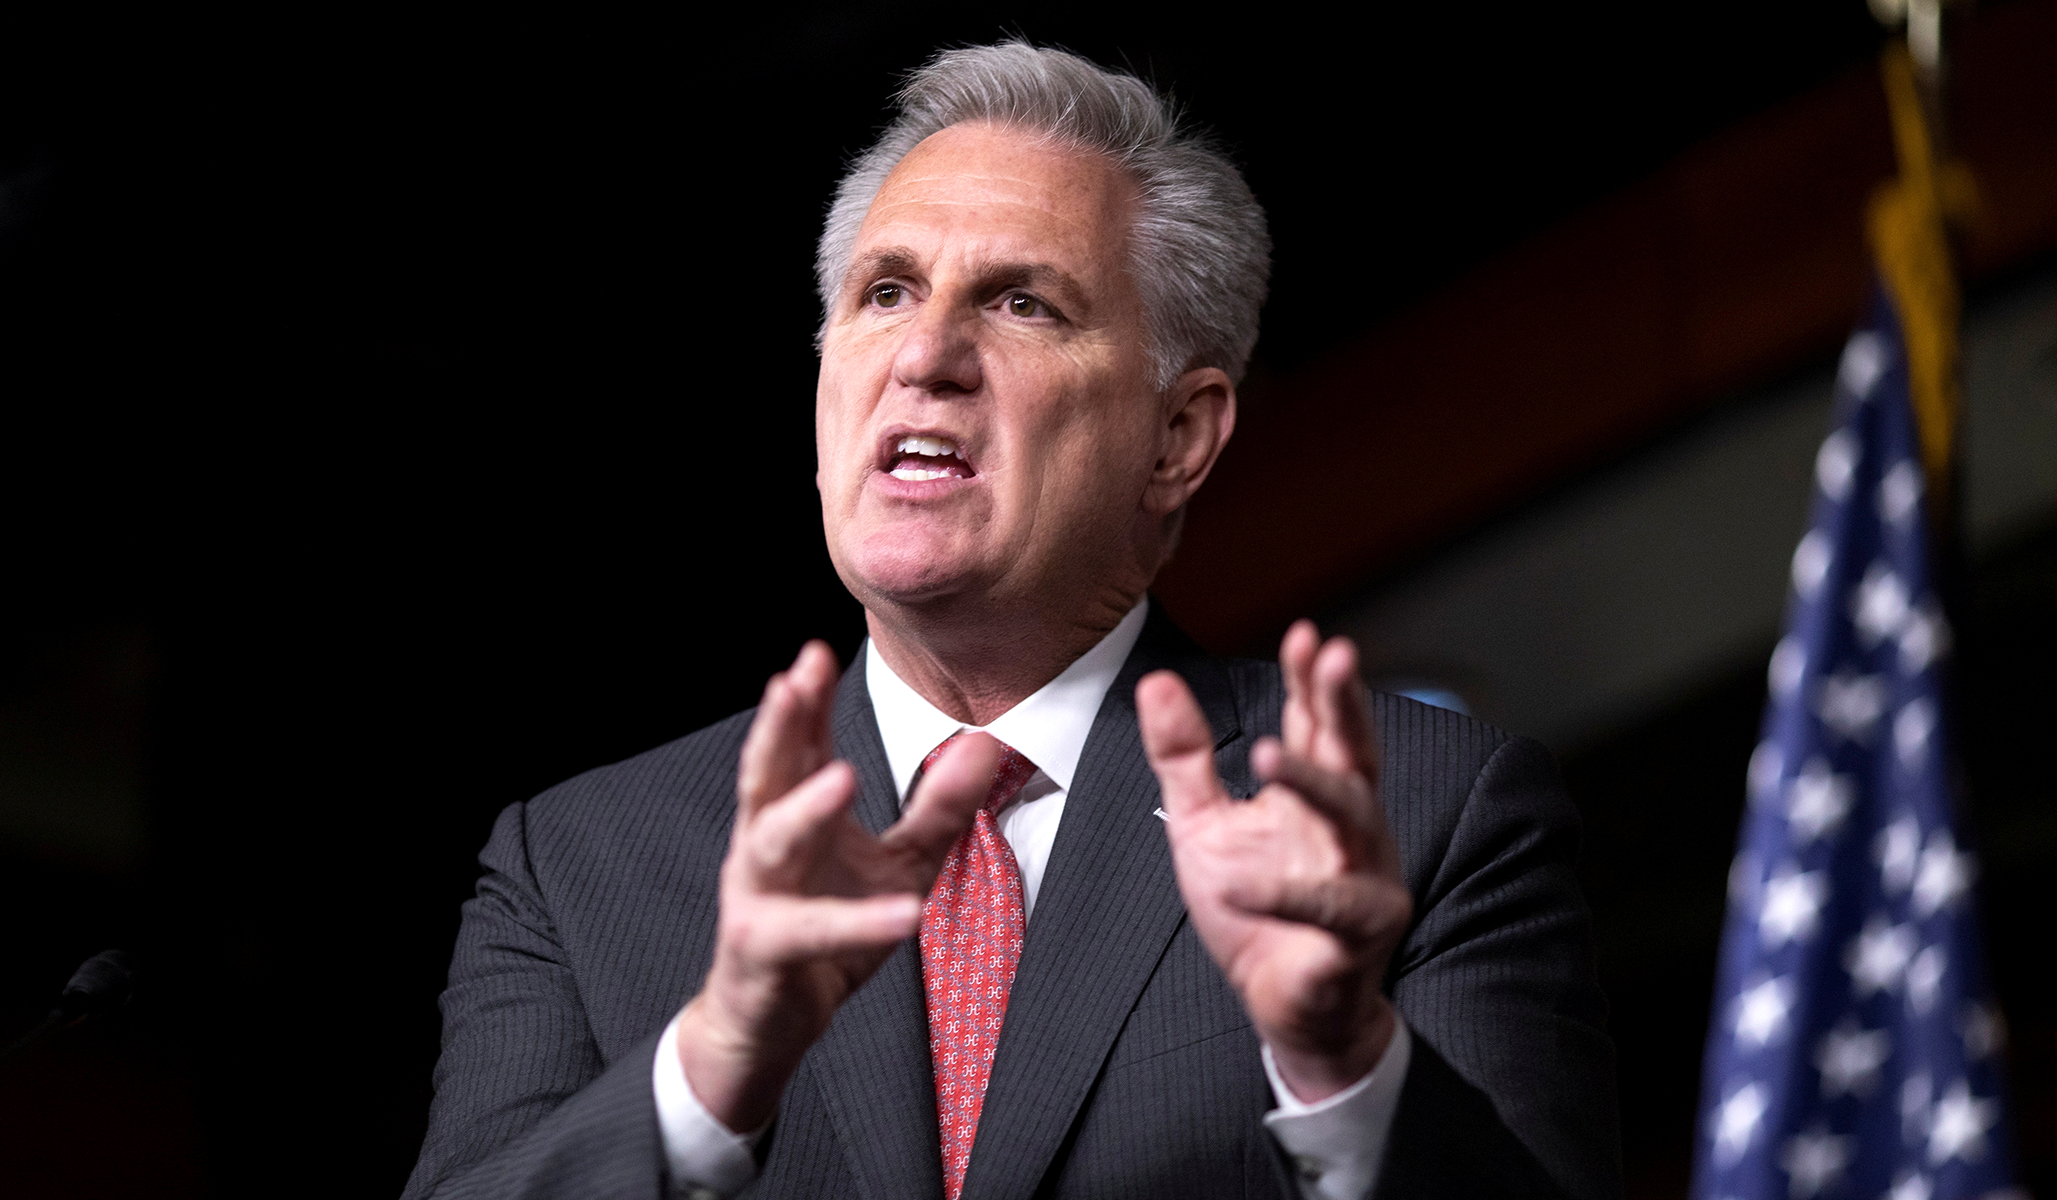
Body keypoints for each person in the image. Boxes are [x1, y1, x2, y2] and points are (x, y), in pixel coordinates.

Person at [402, 42, 1620, 1200]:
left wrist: (1342, 1065)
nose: (926, 354)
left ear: (1177, 438)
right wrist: (713, 1065)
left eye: (1022, 304)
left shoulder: (1430, 821)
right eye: (885, 292)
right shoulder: (575, 865)